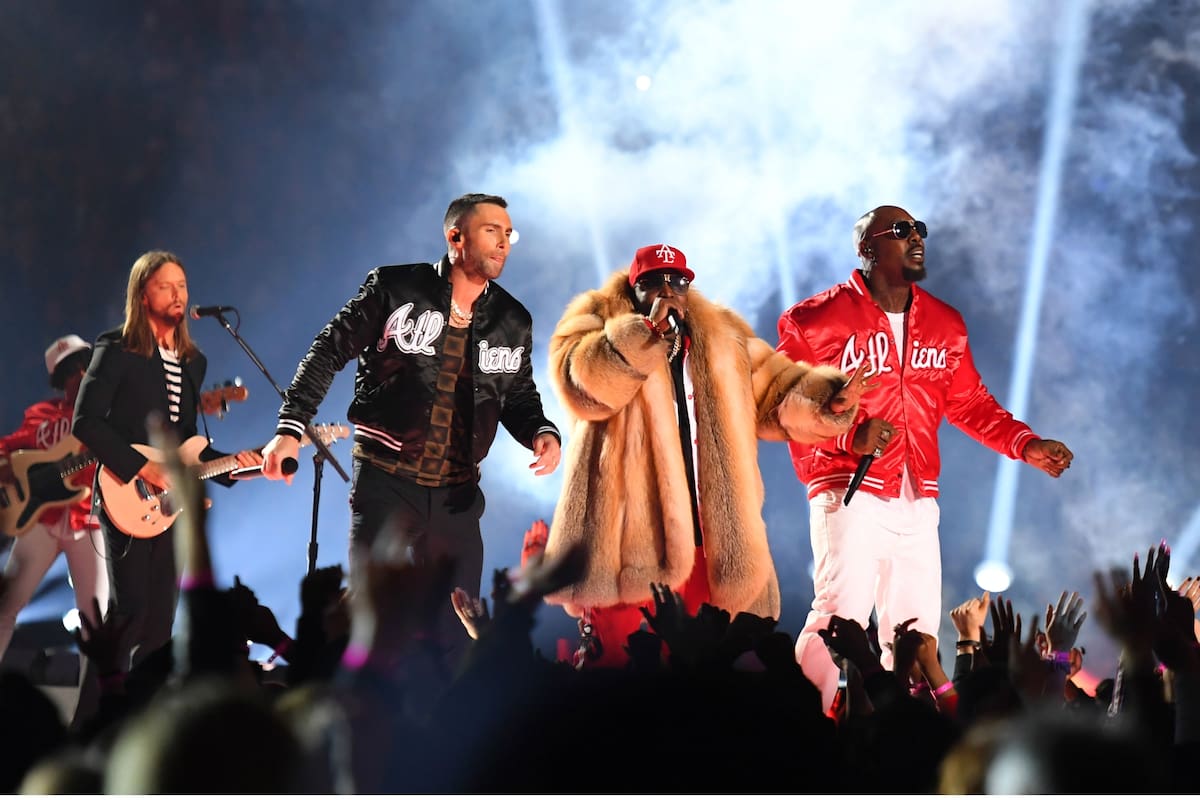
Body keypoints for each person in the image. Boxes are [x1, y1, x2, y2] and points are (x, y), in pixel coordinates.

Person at [775, 205, 1074, 711]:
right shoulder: (813, 321)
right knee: (838, 617)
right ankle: (804, 729)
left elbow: (970, 403)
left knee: (914, 633)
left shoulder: (945, 322)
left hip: (918, 496)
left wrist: (1026, 444)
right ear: (867, 248)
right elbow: (787, 410)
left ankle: (909, 742)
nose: (916, 238)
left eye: (920, 230)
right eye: (901, 231)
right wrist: (850, 439)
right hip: (850, 488)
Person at [259, 193, 561, 681]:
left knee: (456, 632)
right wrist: (291, 426)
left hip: (458, 498)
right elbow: (328, 350)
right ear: (455, 237)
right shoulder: (396, 287)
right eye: (492, 231)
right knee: (374, 624)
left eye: (509, 234)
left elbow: (518, 395)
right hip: (386, 483)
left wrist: (542, 432)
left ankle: (444, 744)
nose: (504, 242)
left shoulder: (513, 320)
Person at [540, 243, 870, 668]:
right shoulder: (594, 322)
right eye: (653, 282)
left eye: (677, 281)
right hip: (624, 550)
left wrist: (828, 403)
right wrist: (642, 336)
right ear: (634, 286)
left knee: (707, 681)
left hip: (712, 546)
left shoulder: (723, 336)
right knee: (623, 683)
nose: (667, 291)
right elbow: (580, 386)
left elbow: (775, 389)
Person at [73, 250, 262, 675]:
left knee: (161, 622)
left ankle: (144, 711)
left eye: (182, 286)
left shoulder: (194, 363)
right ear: (142, 296)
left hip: (170, 504)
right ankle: (99, 719)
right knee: (129, 615)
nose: (178, 294)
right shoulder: (117, 348)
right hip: (127, 494)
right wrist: (144, 468)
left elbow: (188, 445)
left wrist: (245, 464)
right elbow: (84, 422)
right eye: (165, 286)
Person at [0, 335, 108, 664]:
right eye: (68, 373)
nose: (77, 376)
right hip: (40, 521)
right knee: (4, 608)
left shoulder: (109, 416)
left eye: (80, 367)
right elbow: (8, 447)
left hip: (88, 521)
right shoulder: (41, 415)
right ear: (61, 381)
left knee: (96, 622)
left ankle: (100, 705)